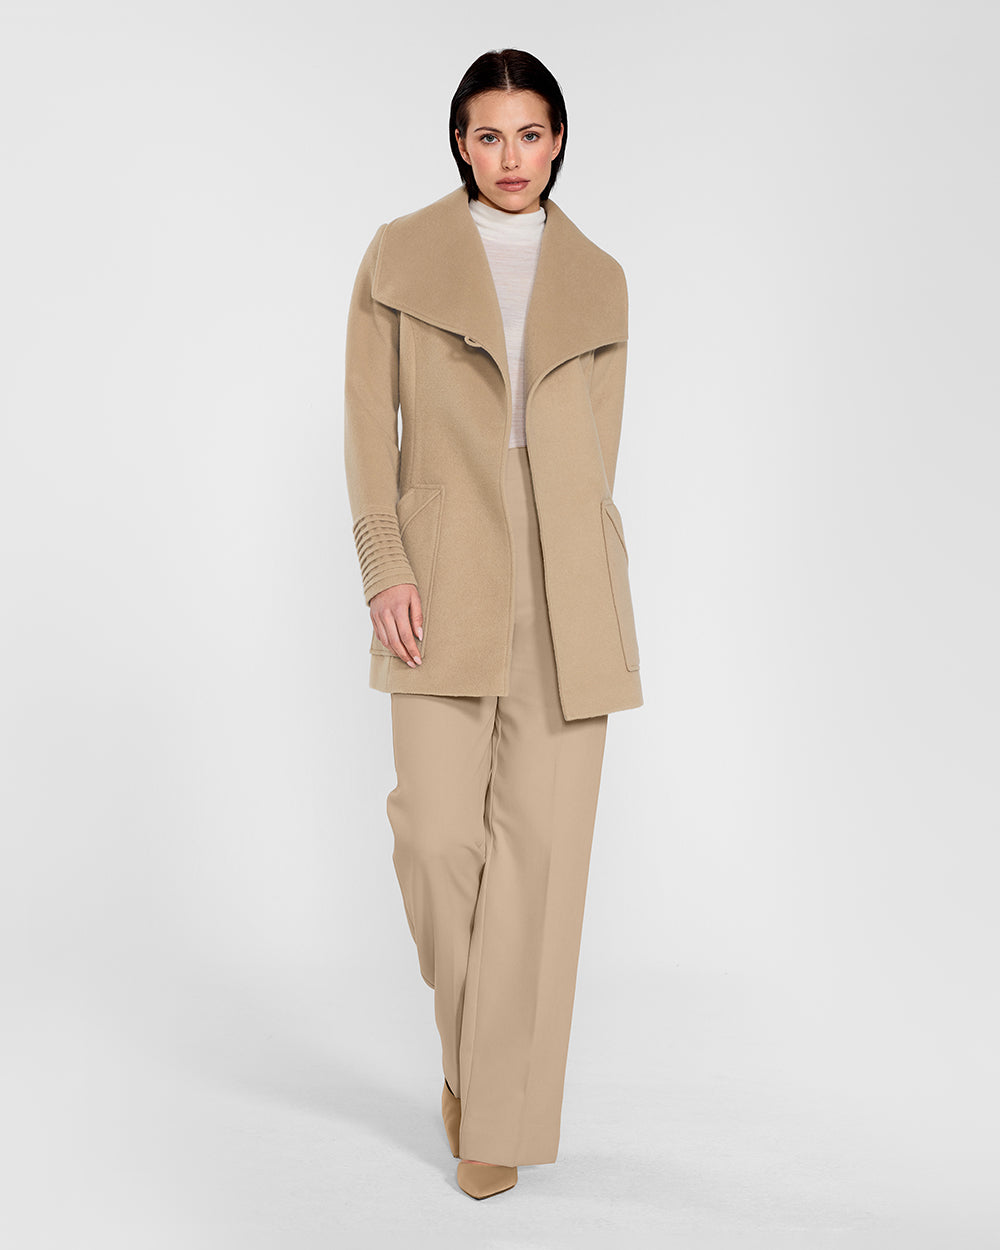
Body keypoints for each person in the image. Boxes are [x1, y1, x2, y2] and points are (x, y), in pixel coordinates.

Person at [343, 47, 643, 1200]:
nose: (509, 156)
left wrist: (587, 577)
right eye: (487, 134)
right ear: (460, 143)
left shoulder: (601, 280)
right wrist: (387, 562)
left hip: (569, 583)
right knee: (435, 839)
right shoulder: (399, 255)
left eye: (529, 133)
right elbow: (366, 422)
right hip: (441, 567)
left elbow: (598, 452)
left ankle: (494, 1116)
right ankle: (475, 1057)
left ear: (556, 140)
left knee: (539, 861)